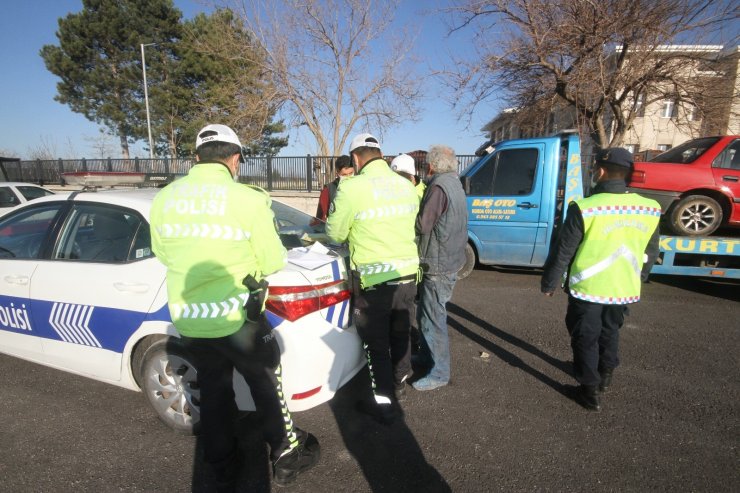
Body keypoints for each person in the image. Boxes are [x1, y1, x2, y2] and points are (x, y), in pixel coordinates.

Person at [149, 124, 319, 490]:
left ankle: (222, 465)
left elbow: (163, 253)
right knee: (264, 383)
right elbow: (273, 259)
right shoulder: (248, 199)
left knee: (213, 391)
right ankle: (287, 458)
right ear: (235, 159)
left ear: (196, 158)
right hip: (238, 318)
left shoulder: (165, 199)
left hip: (191, 319)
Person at [541, 147, 661, 412]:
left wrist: (549, 282)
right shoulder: (650, 208)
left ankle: (589, 390)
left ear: (602, 171)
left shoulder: (585, 207)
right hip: (624, 287)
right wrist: (641, 275)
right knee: (610, 331)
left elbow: (564, 250)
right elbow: (651, 250)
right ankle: (606, 375)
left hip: (589, 288)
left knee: (585, 336)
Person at [326, 133, 419, 424]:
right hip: (407, 276)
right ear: (380, 153)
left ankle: (385, 404)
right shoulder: (406, 186)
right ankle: (399, 384)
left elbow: (335, 233)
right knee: (401, 332)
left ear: (355, 158)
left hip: (374, 282)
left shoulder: (352, 188)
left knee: (376, 344)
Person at [411, 145, 468, 391]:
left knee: (434, 319)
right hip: (450, 259)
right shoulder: (455, 183)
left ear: (432, 166)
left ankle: (440, 373)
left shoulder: (437, 187)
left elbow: (423, 225)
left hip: (438, 263)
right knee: (427, 315)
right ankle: (427, 358)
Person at [314, 155, 354, 222]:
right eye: (344, 175)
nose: (348, 177)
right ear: (337, 173)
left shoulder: (360, 185)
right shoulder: (328, 190)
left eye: (351, 173)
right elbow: (319, 218)